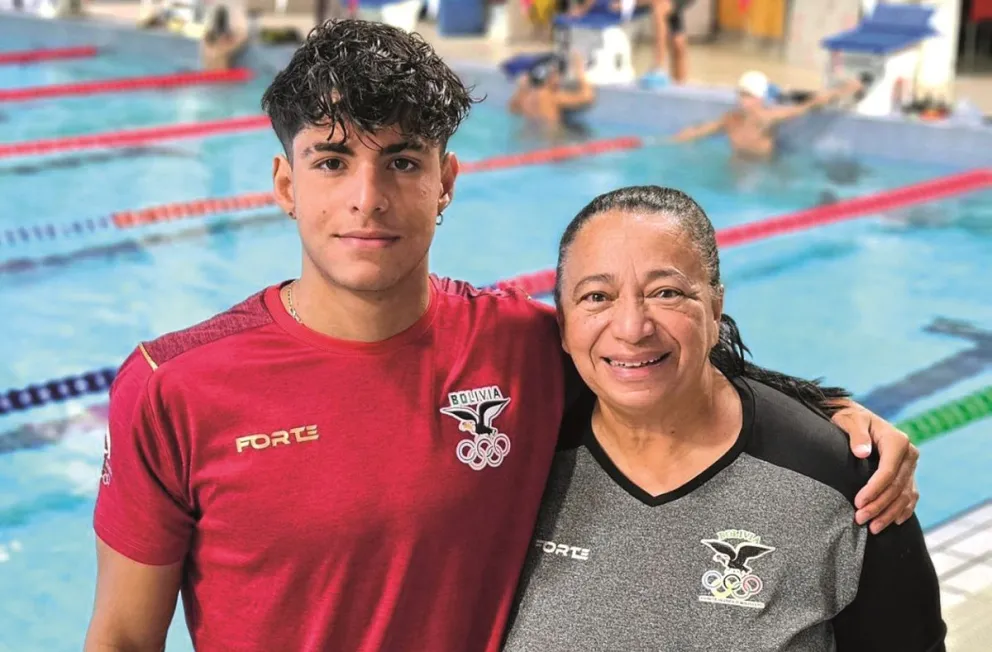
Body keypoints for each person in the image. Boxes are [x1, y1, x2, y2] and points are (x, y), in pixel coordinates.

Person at [84, 20, 920, 652]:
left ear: (447, 181)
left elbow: (653, 350)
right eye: (332, 161)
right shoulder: (174, 385)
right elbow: (122, 639)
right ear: (284, 183)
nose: (367, 198)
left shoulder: (520, 345)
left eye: (403, 161)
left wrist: (838, 416)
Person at [504, 186, 945, 651]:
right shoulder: (517, 458)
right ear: (563, 323)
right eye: (596, 296)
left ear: (716, 306)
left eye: (667, 292)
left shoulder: (844, 482)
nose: (632, 328)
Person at [672, 70, 864, 160]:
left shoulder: (767, 118)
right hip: (736, 165)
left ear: (760, 99)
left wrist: (843, 90)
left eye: (748, 96)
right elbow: (702, 130)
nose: (743, 101)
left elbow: (806, 106)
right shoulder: (731, 119)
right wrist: (680, 137)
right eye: (741, 94)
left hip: (763, 167)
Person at [508, 50, 596, 138]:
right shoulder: (552, 96)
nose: (560, 79)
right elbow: (587, 97)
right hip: (551, 139)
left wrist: (522, 87)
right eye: (559, 74)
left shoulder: (526, 96)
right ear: (552, 75)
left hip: (529, 137)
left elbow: (513, 109)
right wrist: (580, 71)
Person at [200, 4, 248, 71]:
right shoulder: (224, 48)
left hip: (207, 74)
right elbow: (243, 37)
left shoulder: (206, 42)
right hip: (221, 75)